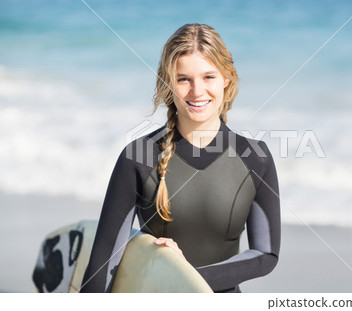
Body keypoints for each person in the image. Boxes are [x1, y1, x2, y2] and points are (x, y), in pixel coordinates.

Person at [80, 23, 280, 293]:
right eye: (183, 79)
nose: (197, 91)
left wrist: (183, 277)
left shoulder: (255, 158)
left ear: (226, 79)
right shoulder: (139, 157)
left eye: (208, 77)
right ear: (167, 83)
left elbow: (265, 255)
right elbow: (104, 264)